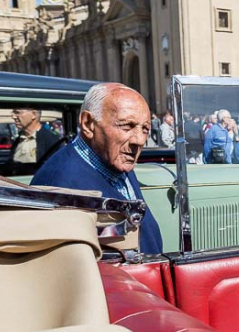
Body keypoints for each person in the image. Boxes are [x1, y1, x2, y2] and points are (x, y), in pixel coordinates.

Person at [31, 83, 163, 255]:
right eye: (126, 126)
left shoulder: (117, 161)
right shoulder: (60, 188)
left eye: (145, 129)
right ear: (88, 124)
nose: (138, 140)